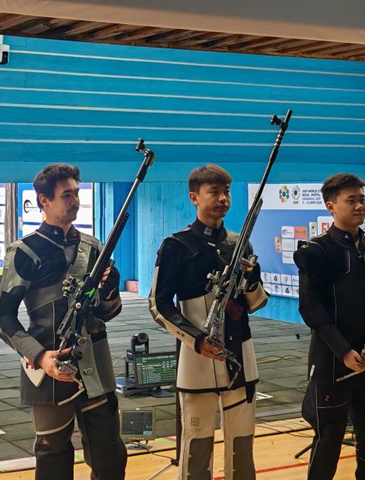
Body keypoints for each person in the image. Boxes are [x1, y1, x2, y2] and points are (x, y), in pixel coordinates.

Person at [0, 164, 126, 480]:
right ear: (43, 201)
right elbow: (2, 314)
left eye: (77, 193)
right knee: (53, 461)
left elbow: (106, 312)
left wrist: (110, 289)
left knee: (111, 458)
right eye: (67, 194)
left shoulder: (93, 247)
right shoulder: (24, 251)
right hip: (49, 368)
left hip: (95, 365)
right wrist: (39, 356)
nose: (75, 200)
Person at [149, 164, 270, 479]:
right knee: (197, 448)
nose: (223, 198)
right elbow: (158, 305)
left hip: (240, 361)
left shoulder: (239, 243)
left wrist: (253, 279)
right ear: (194, 197)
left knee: (242, 449)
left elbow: (256, 303)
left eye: (226, 191)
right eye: (214, 192)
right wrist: (196, 340)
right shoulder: (176, 245)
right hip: (197, 362)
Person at [293, 173, 365, 480]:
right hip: (333, 363)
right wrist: (342, 350)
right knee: (328, 441)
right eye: (350, 200)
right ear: (331, 206)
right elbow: (310, 309)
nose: (359, 206)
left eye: (361, 199)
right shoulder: (317, 251)